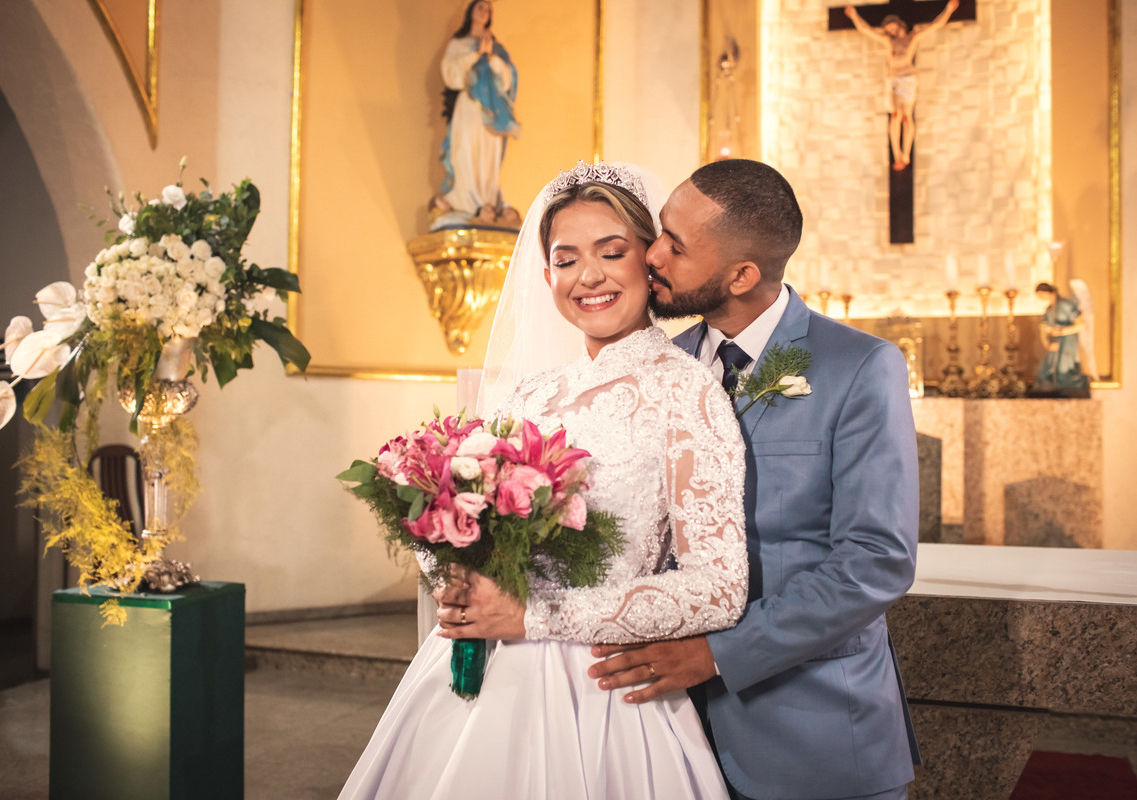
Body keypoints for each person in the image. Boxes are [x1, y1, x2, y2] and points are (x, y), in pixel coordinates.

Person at [337, 161, 748, 799]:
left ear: (650, 259)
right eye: (565, 259)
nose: (589, 277)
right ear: (547, 273)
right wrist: (450, 568)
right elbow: (461, 519)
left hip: (604, 691)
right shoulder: (530, 393)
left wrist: (536, 616)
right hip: (481, 678)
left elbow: (719, 590)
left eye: (612, 252)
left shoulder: (686, 390)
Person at [587, 159, 920, 800]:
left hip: (814, 734)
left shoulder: (860, 368)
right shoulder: (659, 365)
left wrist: (716, 654)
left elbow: (875, 561)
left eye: (676, 247)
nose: (649, 254)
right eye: (660, 232)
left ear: (742, 274)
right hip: (667, 736)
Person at [431, 0, 521, 230]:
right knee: (465, 150)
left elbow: (509, 79)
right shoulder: (459, 43)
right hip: (469, 105)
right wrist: (475, 55)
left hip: (490, 109)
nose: (484, 11)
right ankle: (465, 202)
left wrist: (491, 58)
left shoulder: (496, 47)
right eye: (480, 6)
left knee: (488, 157)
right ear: (470, 11)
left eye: (488, 9)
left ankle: (487, 205)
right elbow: (450, 74)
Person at [845, 0, 959, 170]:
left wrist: (948, 10)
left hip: (908, 79)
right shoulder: (887, 41)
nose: (890, 30)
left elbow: (935, 26)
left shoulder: (911, 38)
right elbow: (866, 30)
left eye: (892, 26)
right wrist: (854, 16)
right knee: (895, 116)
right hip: (893, 80)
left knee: (906, 118)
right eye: (887, 28)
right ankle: (897, 155)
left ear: (899, 25)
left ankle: (905, 154)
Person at [1029, 281, 1091, 397]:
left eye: (1041, 294)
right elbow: (1044, 328)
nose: (1040, 298)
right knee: (1047, 370)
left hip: (1067, 343)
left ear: (1047, 292)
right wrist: (1047, 343)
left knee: (1065, 370)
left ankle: (1071, 389)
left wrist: (1062, 331)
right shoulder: (1049, 309)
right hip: (1055, 343)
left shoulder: (1066, 305)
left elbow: (1081, 325)